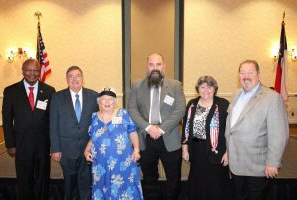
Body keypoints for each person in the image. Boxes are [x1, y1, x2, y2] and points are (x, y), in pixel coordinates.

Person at [225, 60, 289, 200]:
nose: (246, 76)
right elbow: (232, 127)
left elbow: (279, 134)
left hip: (258, 167)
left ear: (258, 74)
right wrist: (228, 151)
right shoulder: (235, 95)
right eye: (242, 72)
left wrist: (273, 162)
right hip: (236, 164)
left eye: (250, 72)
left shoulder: (272, 97)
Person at [128, 53, 186, 200]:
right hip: (145, 138)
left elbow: (180, 110)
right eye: (151, 64)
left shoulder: (175, 85)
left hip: (169, 138)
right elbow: (132, 110)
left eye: (158, 64)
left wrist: (160, 129)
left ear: (164, 66)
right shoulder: (136, 85)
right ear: (147, 66)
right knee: (149, 178)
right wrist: (148, 127)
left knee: (173, 178)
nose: (155, 68)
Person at [2, 58, 55, 200]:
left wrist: (53, 144)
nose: (32, 73)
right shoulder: (10, 91)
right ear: (23, 71)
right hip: (21, 145)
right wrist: (10, 144)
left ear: (40, 72)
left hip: (43, 145)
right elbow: (7, 120)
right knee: (24, 180)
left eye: (35, 70)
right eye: (28, 70)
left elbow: (52, 120)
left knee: (42, 180)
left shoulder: (49, 91)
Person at [84, 87, 143, 200]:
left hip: (123, 162)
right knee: (102, 188)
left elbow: (133, 132)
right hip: (101, 163)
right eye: (103, 99)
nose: (107, 102)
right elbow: (93, 137)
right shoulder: (94, 117)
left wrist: (136, 150)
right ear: (99, 103)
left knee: (124, 189)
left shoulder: (123, 113)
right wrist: (86, 151)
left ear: (115, 102)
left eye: (110, 99)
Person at [50, 66, 98, 200]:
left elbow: (98, 122)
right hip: (66, 149)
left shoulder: (94, 96)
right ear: (67, 79)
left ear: (83, 78)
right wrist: (55, 149)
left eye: (78, 75)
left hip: (88, 149)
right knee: (69, 184)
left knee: (86, 183)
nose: (74, 79)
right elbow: (53, 125)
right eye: (71, 76)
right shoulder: (57, 97)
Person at [182, 76, 231, 200]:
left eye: (209, 87)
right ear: (197, 89)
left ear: (214, 89)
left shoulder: (223, 104)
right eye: (202, 87)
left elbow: (231, 131)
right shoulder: (192, 104)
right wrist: (185, 148)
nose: (206, 90)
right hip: (197, 150)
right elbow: (186, 127)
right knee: (197, 183)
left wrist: (228, 152)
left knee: (215, 185)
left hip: (217, 151)